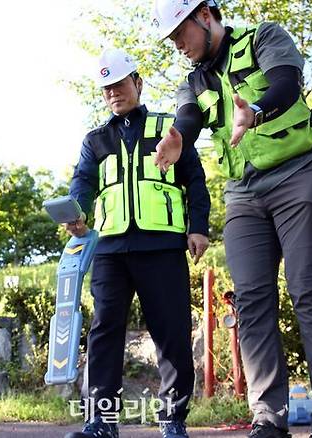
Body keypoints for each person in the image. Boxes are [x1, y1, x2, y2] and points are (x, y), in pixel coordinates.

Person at [150, 1, 312, 438]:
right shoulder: (194, 80)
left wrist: (254, 112)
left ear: (205, 15)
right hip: (243, 192)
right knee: (251, 301)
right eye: (172, 40)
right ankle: (268, 419)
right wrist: (180, 137)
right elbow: (188, 115)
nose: (178, 45)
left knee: (308, 289)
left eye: (180, 33)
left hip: (299, 172)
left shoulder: (264, 37)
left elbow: (286, 83)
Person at [64, 47, 211, 438]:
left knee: (171, 332)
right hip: (111, 250)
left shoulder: (169, 129)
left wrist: (198, 227)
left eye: (120, 84)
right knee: (104, 331)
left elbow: (194, 180)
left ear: (138, 83)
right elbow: (82, 183)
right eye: (107, 88)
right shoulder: (95, 140)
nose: (114, 93)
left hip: (161, 246)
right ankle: (101, 421)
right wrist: (75, 212)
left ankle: (172, 420)